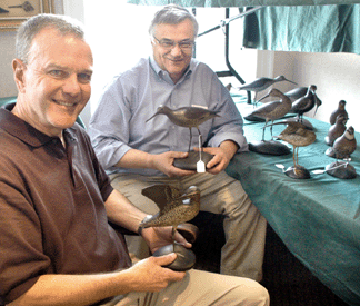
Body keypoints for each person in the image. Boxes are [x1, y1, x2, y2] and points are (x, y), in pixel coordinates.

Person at [0, 13, 269, 306]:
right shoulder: (7, 163)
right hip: (102, 290)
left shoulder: (72, 132)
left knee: (254, 294)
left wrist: (146, 225)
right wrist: (132, 278)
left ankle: (241, 275)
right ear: (20, 74)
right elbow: (20, 295)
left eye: (84, 76)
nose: (74, 89)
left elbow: (103, 192)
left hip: (122, 271)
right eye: (56, 72)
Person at [89, 5, 267, 281]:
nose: (177, 52)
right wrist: (152, 160)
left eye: (185, 43)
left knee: (249, 200)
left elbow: (229, 123)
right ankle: (139, 288)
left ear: (194, 41)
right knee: (148, 221)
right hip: (136, 176)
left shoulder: (205, 76)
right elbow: (100, 147)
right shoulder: (125, 82)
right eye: (167, 43)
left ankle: (240, 285)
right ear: (152, 42)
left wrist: (226, 147)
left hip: (195, 174)